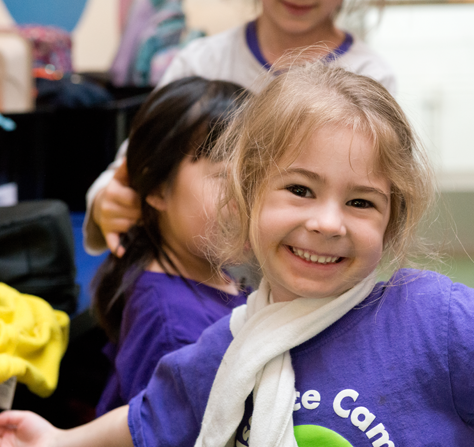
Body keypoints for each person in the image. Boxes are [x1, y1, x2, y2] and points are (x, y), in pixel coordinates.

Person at [2, 63, 474, 447]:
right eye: (300, 189)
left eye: (361, 202)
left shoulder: (431, 318)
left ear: (391, 222)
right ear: (247, 199)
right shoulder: (239, 338)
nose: (327, 222)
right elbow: (152, 418)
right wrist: (54, 446)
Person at [83, 0, 395, 258]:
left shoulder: (371, 77)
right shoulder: (200, 61)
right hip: (208, 280)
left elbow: (371, 202)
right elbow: (134, 164)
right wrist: (106, 200)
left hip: (314, 278)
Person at [91, 76, 250, 447]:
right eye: (223, 175)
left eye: (255, 172)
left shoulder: (217, 275)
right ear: (158, 189)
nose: (246, 192)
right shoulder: (170, 323)